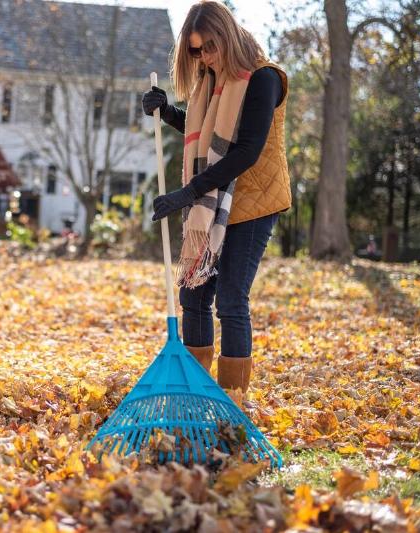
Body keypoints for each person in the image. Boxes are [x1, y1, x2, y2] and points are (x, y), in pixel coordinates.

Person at [142, 0, 291, 401]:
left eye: (209, 45)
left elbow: (244, 152)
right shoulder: (212, 82)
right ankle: (195, 394)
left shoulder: (263, 79)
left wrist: (188, 194)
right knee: (193, 293)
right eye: (197, 51)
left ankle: (232, 401)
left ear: (226, 34)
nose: (205, 56)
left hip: (255, 203)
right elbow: (207, 141)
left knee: (229, 298)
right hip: (216, 203)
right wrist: (169, 112)